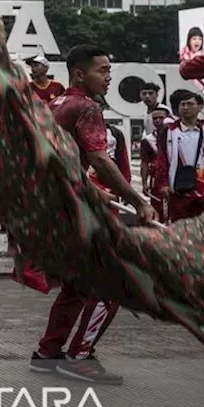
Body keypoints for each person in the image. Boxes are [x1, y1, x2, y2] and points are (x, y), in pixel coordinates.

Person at [29, 44, 157, 386]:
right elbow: (100, 159)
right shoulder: (85, 108)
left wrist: (87, 187)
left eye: (110, 69)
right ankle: (79, 356)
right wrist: (139, 200)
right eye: (102, 70)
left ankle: (48, 352)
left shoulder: (54, 105)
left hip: (54, 209)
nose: (109, 76)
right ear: (79, 74)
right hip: (71, 211)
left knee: (76, 285)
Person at [155, 89, 204, 224]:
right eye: (183, 104)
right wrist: (164, 183)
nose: (186, 108)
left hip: (202, 185)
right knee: (179, 224)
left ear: (200, 107)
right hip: (177, 187)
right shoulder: (168, 130)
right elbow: (162, 158)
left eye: (190, 104)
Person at [140, 103, 170, 217]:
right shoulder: (147, 140)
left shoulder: (176, 136)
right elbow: (144, 163)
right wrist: (144, 183)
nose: (158, 121)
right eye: (155, 118)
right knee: (158, 211)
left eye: (161, 118)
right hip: (156, 180)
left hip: (174, 180)